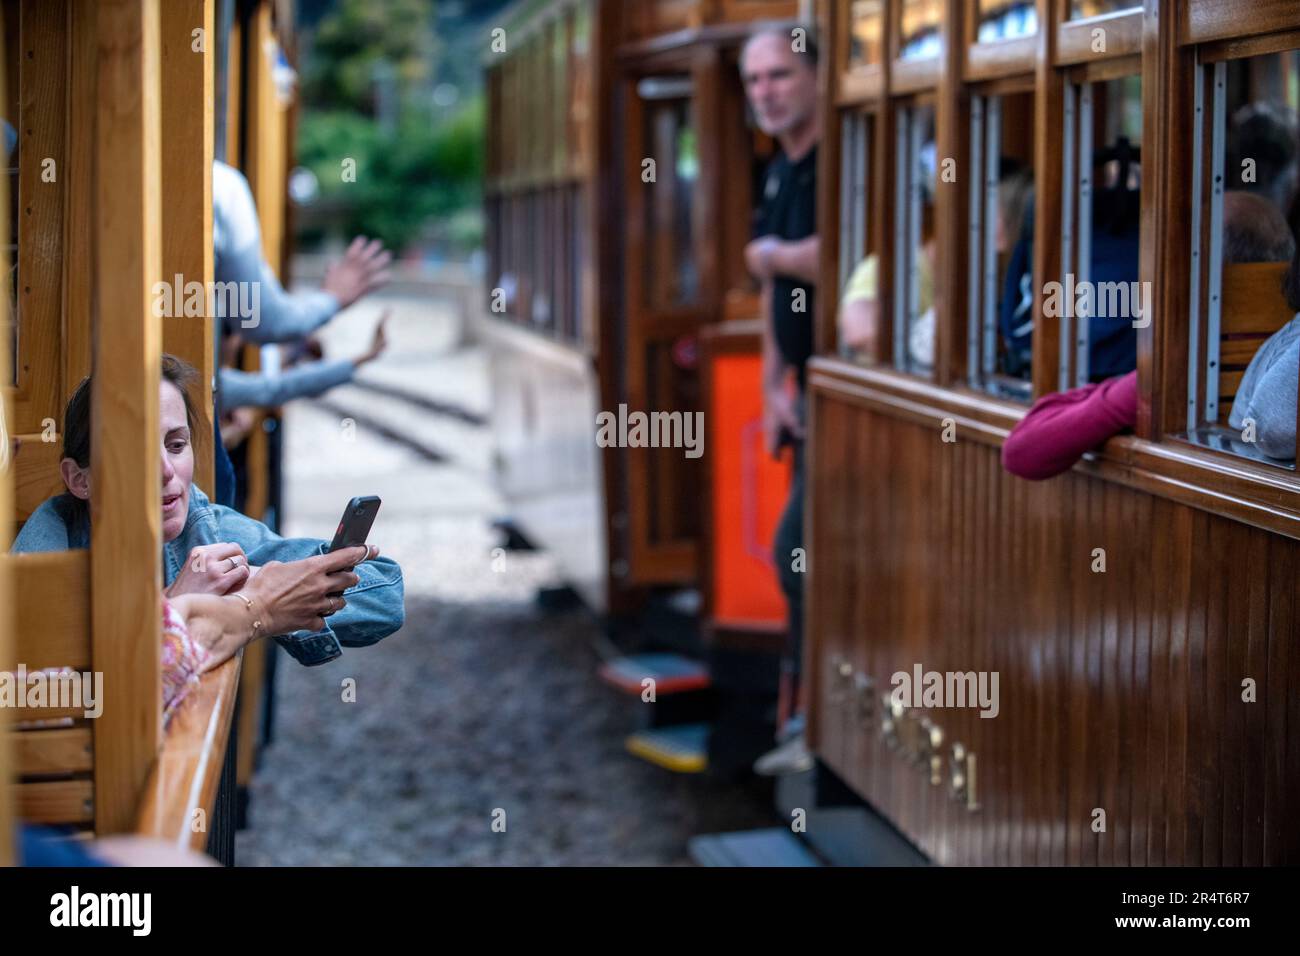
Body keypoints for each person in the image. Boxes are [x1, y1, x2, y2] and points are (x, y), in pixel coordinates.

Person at [12, 354, 404, 666]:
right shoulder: (54, 531)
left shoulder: (207, 531)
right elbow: (32, 665)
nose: (166, 470)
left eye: (176, 444)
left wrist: (253, 588)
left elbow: (386, 597)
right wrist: (180, 606)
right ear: (80, 479)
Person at [1003, 191, 1296, 478]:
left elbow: (1021, 451)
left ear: (1198, 270)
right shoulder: (1281, 347)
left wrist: (1122, 393)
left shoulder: (1185, 372)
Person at [210, 159, 393, 505]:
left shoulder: (207, 383)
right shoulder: (222, 185)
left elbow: (272, 386)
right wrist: (332, 299)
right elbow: (266, 321)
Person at [739, 25, 821, 776]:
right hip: (808, 395)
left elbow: (860, 253)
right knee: (796, 557)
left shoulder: (841, 162)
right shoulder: (779, 170)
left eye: (781, 75)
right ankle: (802, 724)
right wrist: (772, 386)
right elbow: (777, 297)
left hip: (850, 389)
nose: (766, 91)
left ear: (819, 77)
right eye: (756, 79)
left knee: (807, 557)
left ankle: (815, 727)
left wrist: (775, 256)